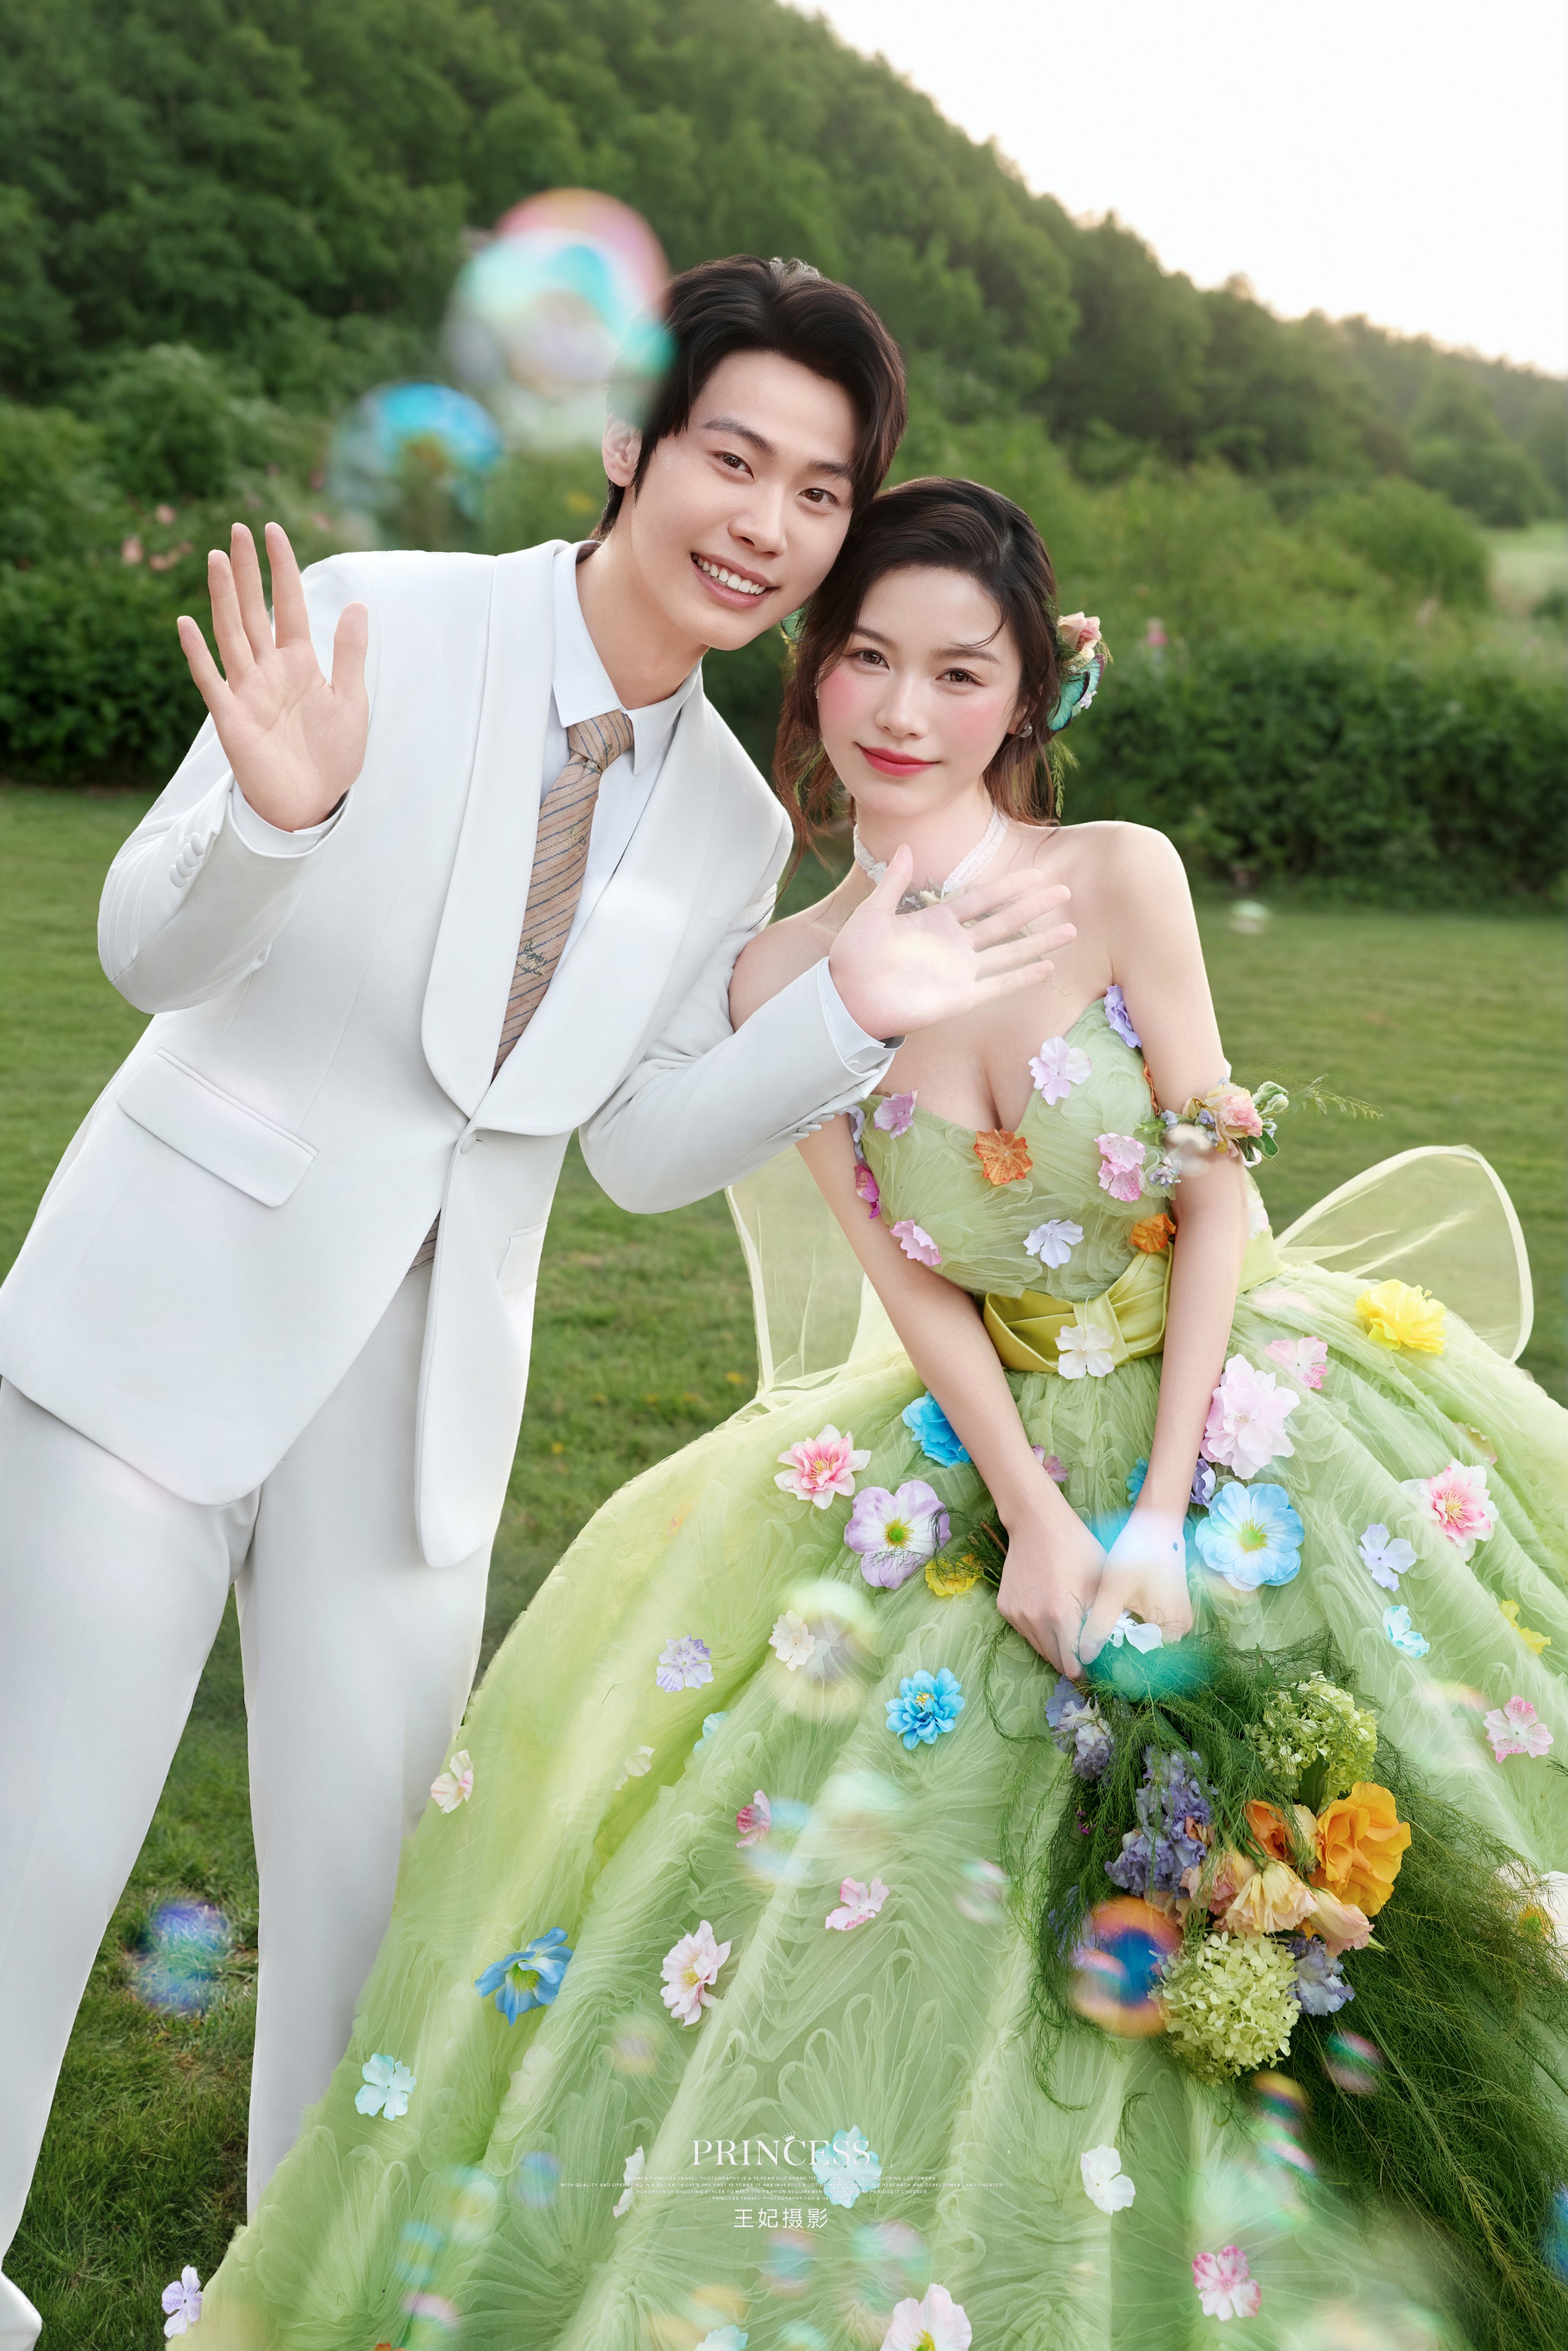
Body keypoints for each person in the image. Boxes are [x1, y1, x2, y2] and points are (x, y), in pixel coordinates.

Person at [191, 475, 1568, 2347]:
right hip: (990, 1439)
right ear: (813, 672)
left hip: (1226, 1406)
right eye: (865, 659)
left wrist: (1162, 1514)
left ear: (1028, 695)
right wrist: (1038, 1519)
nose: (903, 711)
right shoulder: (781, 976)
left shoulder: (1119, 877)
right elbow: (911, 1279)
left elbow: (1212, 1185)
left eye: (958, 670)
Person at [0, 264, 1086, 2351]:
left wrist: (847, 1013)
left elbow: (641, 1146)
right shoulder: (382, 617)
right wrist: (281, 821)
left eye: (816, 492)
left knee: (371, 1930)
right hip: (158, 1335)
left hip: (420, 1421)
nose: (763, 522)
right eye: (730, 458)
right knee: (28, 1865)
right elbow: (145, 950)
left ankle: (291, 2312)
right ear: (628, 444)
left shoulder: (736, 817)